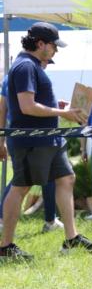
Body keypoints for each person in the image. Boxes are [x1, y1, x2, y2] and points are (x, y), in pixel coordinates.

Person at [0, 22, 92, 260]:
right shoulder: (25, 66)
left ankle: (71, 238)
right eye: (54, 46)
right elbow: (27, 107)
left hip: (48, 140)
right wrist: (62, 113)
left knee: (66, 178)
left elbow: (32, 103)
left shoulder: (32, 66)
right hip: (30, 141)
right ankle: (5, 247)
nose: (56, 51)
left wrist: (60, 108)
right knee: (21, 188)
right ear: (40, 44)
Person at [0, 73, 62, 233]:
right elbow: (17, 107)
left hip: (24, 137)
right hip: (30, 139)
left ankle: (50, 219)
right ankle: (4, 223)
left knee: (23, 181)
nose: (47, 64)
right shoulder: (25, 73)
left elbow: (3, 107)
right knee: (21, 183)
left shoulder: (13, 76)